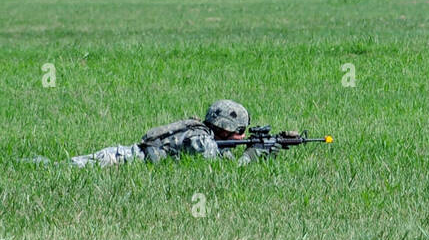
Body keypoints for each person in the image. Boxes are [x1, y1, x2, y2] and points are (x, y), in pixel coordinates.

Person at [68, 99, 278, 167]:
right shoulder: (200, 140)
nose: (243, 137)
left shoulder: (205, 135)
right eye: (240, 131)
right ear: (225, 128)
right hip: (116, 161)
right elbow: (218, 171)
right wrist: (250, 156)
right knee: (62, 166)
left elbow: (225, 158)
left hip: (120, 159)